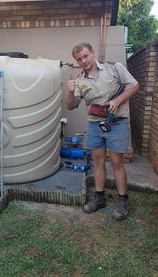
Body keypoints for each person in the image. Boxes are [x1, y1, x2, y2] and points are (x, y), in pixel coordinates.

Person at [66, 42, 139, 221]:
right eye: (79, 59)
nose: (84, 61)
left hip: (117, 122)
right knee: (97, 162)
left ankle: (122, 200)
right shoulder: (79, 80)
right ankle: (99, 198)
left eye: (86, 56)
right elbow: (71, 106)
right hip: (94, 124)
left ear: (92, 53)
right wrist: (69, 92)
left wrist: (118, 100)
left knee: (116, 162)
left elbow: (134, 85)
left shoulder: (114, 68)